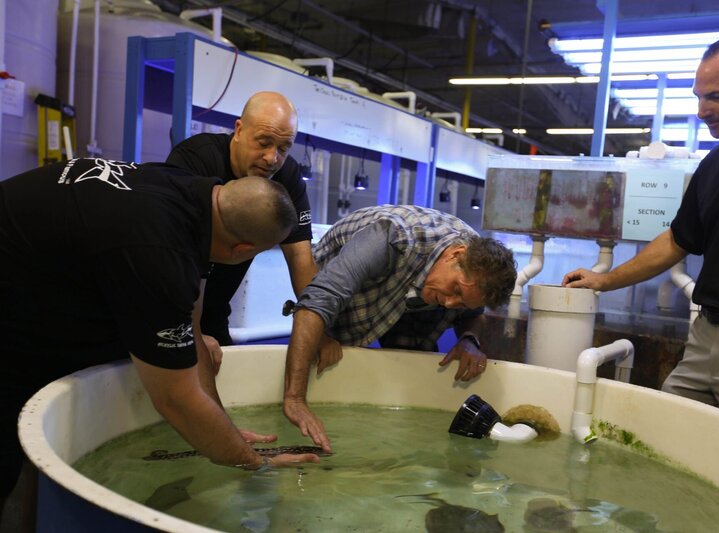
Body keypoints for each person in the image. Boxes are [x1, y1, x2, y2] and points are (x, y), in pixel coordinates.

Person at [0, 158, 320, 526]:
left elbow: (191, 328)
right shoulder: (160, 255)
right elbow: (175, 399)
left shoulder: (194, 195)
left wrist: (223, 428)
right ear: (241, 250)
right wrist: (253, 463)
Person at [562, 34, 719, 441]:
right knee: (666, 443)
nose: (702, 111)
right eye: (699, 97)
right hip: (705, 336)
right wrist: (605, 280)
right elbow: (678, 239)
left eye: (718, 97)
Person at [282, 205, 518, 451]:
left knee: (416, 386)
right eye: (455, 290)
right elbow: (317, 301)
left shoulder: (477, 270)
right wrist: (295, 398)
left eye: (462, 301)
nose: (450, 303)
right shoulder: (392, 237)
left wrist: (469, 339)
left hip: (408, 305)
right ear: (455, 255)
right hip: (344, 294)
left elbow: (472, 314)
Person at [167, 91, 338, 366]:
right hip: (172, 307)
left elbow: (300, 258)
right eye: (264, 142)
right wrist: (193, 333)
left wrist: (319, 330)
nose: (272, 158)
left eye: (283, 148)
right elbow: (180, 256)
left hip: (215, 310)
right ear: (238, 130)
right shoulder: (194, 160)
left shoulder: (287, 176)